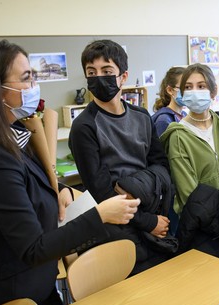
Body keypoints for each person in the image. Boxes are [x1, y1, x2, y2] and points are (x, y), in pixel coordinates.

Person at [0, 39, 139, 305]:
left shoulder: (10, 136)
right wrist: (101, 214)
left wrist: (60, 189)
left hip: (32, 282)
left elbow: (25, 180)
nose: (34, 85)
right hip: (12, 295)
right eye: (25, 78)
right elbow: (33, 248)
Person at [69, 39, 173, 273]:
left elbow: (160, 165)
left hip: (152, 207)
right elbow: (102, 192)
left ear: (123, 76)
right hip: (118, 223)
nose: (98, 78)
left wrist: (151, 209)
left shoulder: (142, 116)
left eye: (107, 71)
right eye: (91, 72)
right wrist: (149, 222)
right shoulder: (84, 127)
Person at [160, 63, 219, 261]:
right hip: (204, 226)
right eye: (188, 87)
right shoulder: (178, 135)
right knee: (209, 282)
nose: (194, 91)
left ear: (213, 91)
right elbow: (190, 193)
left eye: (201, 86)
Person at [152, 66, 186, 137]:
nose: (188, 92)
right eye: (184, 87)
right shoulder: (163, 120)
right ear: (170, 90)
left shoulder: (184, 115)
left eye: (189, 87)